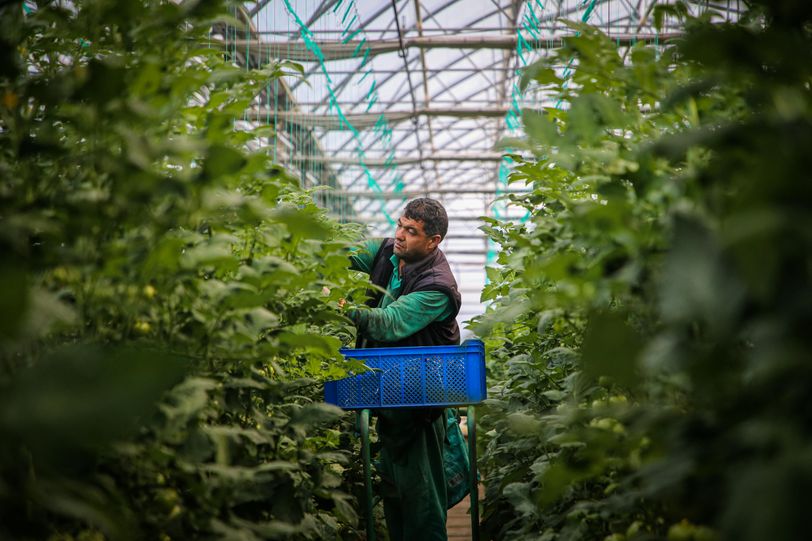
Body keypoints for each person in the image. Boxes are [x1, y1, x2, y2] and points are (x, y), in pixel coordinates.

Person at [347, 198, 462, 541]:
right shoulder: (387, 252)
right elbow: (340, 252)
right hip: (389, 399)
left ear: (433, 241)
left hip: (419, 405)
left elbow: (388, 323)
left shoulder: (437, 287)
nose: (400, 235)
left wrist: (341, 305)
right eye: (399, 224)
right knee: (394, 497)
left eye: (411, 231)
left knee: (422, 505)